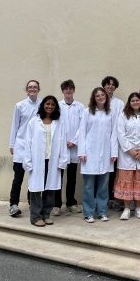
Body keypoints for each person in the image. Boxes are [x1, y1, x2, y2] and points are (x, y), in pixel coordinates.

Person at [23, 96, 68, 227]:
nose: (49, 106)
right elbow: (28, 143)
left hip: (52, 160)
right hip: (37, 160)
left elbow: (62, 142)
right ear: (43, 105)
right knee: (36, 189)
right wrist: (28, 161)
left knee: (50, 189)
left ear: (55, 107)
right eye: (47, 104)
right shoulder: (34, 122)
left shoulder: (59, 122)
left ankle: (46, 214)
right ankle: (35, 217)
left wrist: (63, 160)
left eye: (52, 105)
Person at [78, 87, 118, 223]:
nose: (101, 97)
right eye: (98, 95)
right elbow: (82, 133)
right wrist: (82, 152)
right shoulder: (87, 112)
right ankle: (88, 212)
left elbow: (114, 134)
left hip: (106, 154)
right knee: (89, 186)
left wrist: (114, 152)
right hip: (89, 154)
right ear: (93, 98)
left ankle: (102, 211)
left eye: (102, 95)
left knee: (103, 186)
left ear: (106, 97)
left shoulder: (110, 113)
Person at [8, 80, 41, 217]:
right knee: (18, 177)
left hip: (36, 146)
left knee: (34, 176)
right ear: (26, 90)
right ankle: (13, 205)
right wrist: (12, 145)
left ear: (38, 89)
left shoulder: (43, 105)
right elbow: (14, 126)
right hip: (21, 145)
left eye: (35, 87)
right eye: (30, 87)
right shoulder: (20, 105)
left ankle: (31, 202)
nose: (32, 89)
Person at [115, 92, 140, 220]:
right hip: (127, 154)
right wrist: (130, 150)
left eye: (137, 100)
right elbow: (120, 134)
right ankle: (127, 208)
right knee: (127, 181)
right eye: (133, 101)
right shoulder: (123, 115)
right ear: (129, 103)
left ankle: (139, 208)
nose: (135, 102)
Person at [54, 79, 84, 215]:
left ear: (73, 90)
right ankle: (56, 204)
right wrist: (62, 142)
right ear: (62, 91)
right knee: (58, 177)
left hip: (74, 147)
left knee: (72, 177)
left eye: (70, 88)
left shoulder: (80, 107)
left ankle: (71, 202)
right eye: (65, 88)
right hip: (60, 147)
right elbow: (55, 125)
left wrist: (75, 141)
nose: (68, 90)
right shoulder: (57, 106)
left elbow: (83, 126)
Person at [102, 76, 124, 210]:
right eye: (107, 84)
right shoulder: (98, 100)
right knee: (102, 171)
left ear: (115, 87)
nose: (110, 87)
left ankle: (111, 199)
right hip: (101, 142)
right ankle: (100, 199)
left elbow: (121, 122)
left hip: (115, 142)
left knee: (114, 172)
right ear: (104, 86)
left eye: (112, 85)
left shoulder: (120, 103)